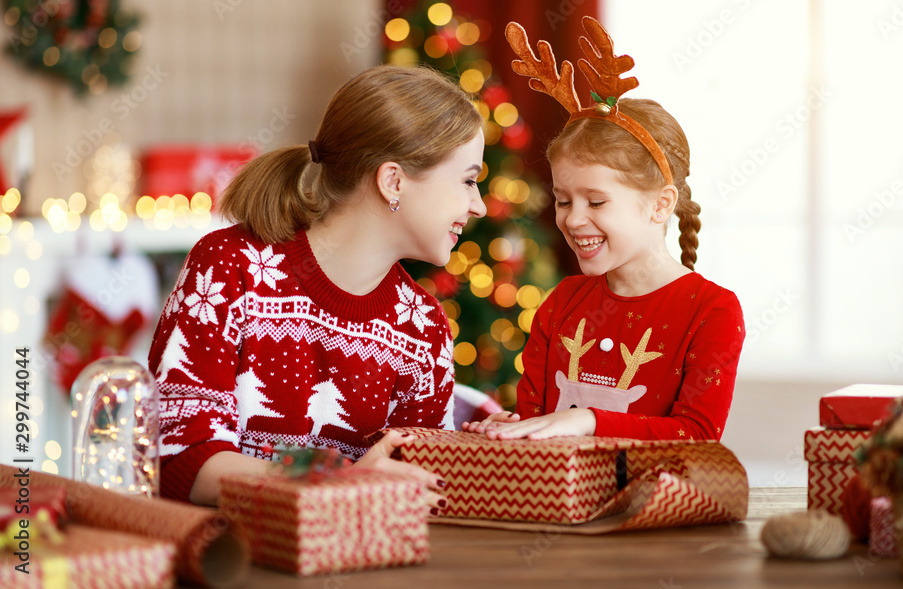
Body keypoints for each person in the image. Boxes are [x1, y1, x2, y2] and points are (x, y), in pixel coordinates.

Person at [148, 64, 487, 507]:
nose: (478, 205)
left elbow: (421, 492)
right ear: (393, 181)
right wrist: (330, 479)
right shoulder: (229, 268)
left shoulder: (424, 327)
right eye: (468, 180)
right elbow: (178, 459)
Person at [464, 18, 744, 442]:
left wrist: (588, 420)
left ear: (660, 204)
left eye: (596, 202)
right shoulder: (561, 305)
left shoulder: (711, 311)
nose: (573, 219)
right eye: (563, 200)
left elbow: (697, 434)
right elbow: (538, 420)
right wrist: (517, 426)